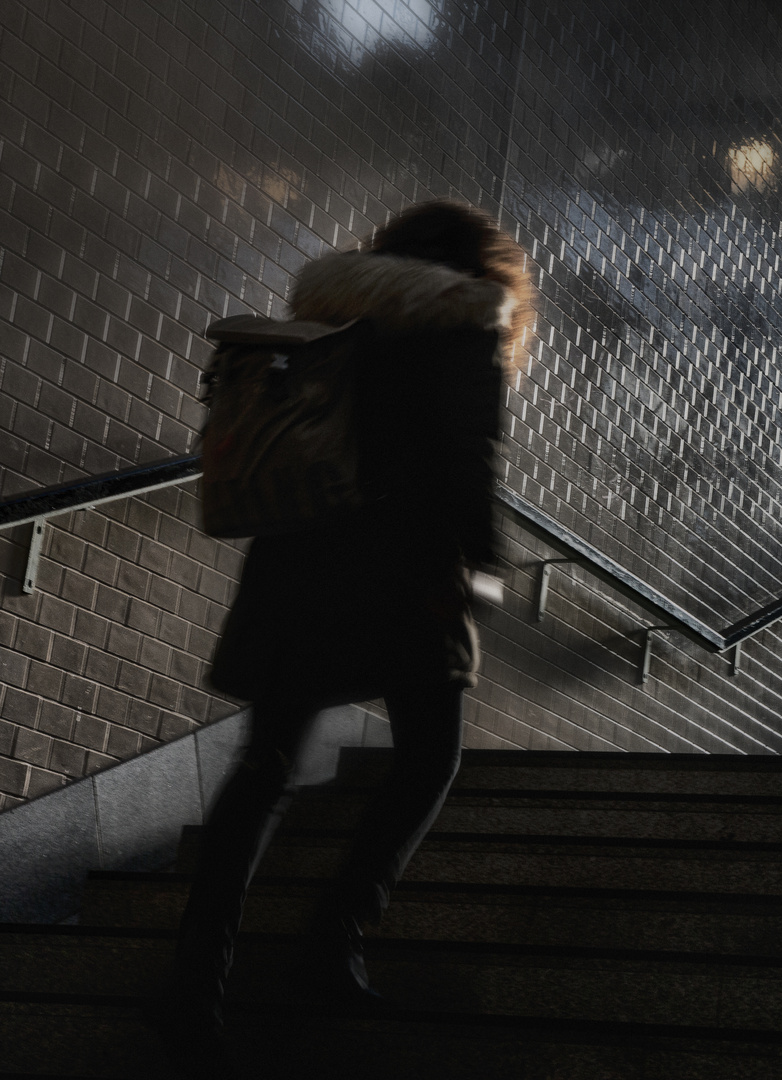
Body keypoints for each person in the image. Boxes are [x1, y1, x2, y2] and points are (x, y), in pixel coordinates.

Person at [147, 200, 534, 1077]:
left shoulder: (326, 313)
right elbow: (465, 462)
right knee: (429, 757)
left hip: (297, 564)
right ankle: (331, 947)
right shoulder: (466, 322)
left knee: (264, 772)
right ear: (477, 265)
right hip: (406, 576)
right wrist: (482, 571)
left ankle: (192, 988)